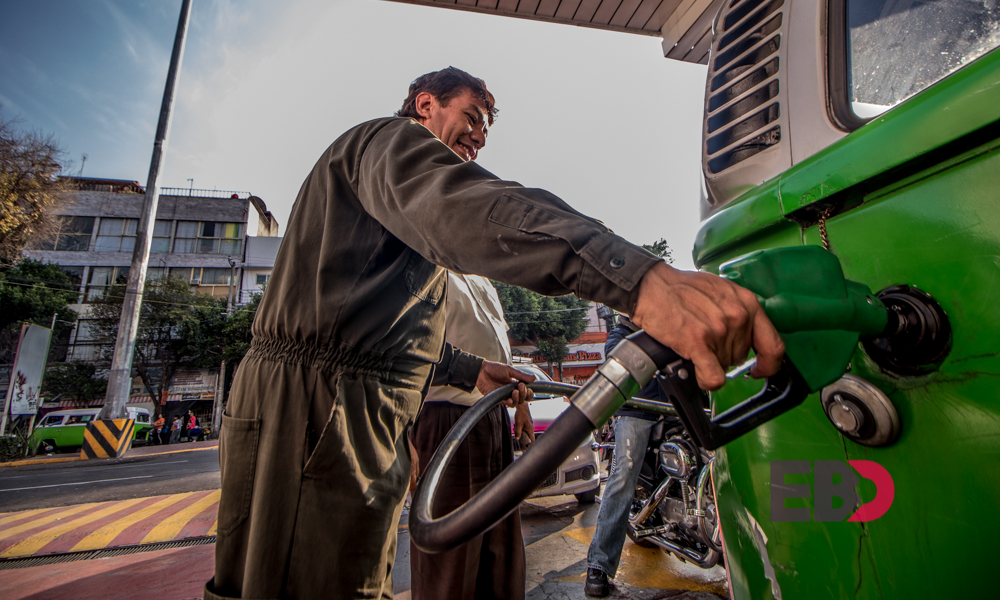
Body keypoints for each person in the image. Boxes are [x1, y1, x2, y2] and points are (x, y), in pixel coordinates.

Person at [206, 67, 784, 600]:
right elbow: (474, 208)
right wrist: (642, 281)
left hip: (364, 409)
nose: (479, 138)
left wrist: (466, 370)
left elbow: (386, 331)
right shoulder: (390, 142)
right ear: (425, 103)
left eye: (486, 129)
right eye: (474, 118)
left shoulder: (397, 216)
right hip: (316, 408)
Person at [410, 272, 533, 600]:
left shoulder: (483, 280)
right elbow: (402, 350)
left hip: (492, 418)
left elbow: (500, 349)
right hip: (445, 423)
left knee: (501, 553)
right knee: (450, 562)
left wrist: (521, 408)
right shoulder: (423, 266)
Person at [584, 315, 668, 597]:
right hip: (636, 411)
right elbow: (621, 361)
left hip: (676, 411)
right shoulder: (619, 335)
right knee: (624, 473)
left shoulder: (665, 331)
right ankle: (599, 564)